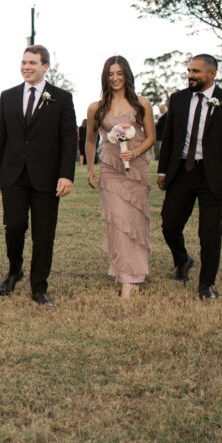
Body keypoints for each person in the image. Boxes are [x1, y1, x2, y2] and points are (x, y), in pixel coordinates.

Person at [157, 53, 222, 299]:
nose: (190, 75)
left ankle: (205, 285)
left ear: (211, 74)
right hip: (181, 171)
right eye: (189, 71)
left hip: (213, 175)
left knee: (210, 232)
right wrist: (163, 170)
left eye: (196, 72)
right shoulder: (178, 100)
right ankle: (183, 260)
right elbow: (169, 139)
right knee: (169, 224)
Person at [0, 45, 77, 307]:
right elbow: (1, 136)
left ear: (45, 67)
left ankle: (39, 287)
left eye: (32, 63)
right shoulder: (8, 96)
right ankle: (15, 270)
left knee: (44, 235)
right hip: (14, 175)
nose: (26, 67)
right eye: (23, 62)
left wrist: (66, 175)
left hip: (47, 177)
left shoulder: (61, 98)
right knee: (14, 227)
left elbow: (68, 139)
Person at [85, 56, 155, 298]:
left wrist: (135, 151)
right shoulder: (97, 107)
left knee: (134, 222)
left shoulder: (141, 104)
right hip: (110, 169)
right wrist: (90, 169)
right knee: (117, 222)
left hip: (136, 170)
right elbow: (91, 139)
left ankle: (135, 273)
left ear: (127, 75)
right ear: (105, 77)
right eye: (110, 74)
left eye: (119, 73)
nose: (115, 78)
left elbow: (150, 138)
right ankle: (126, 277)